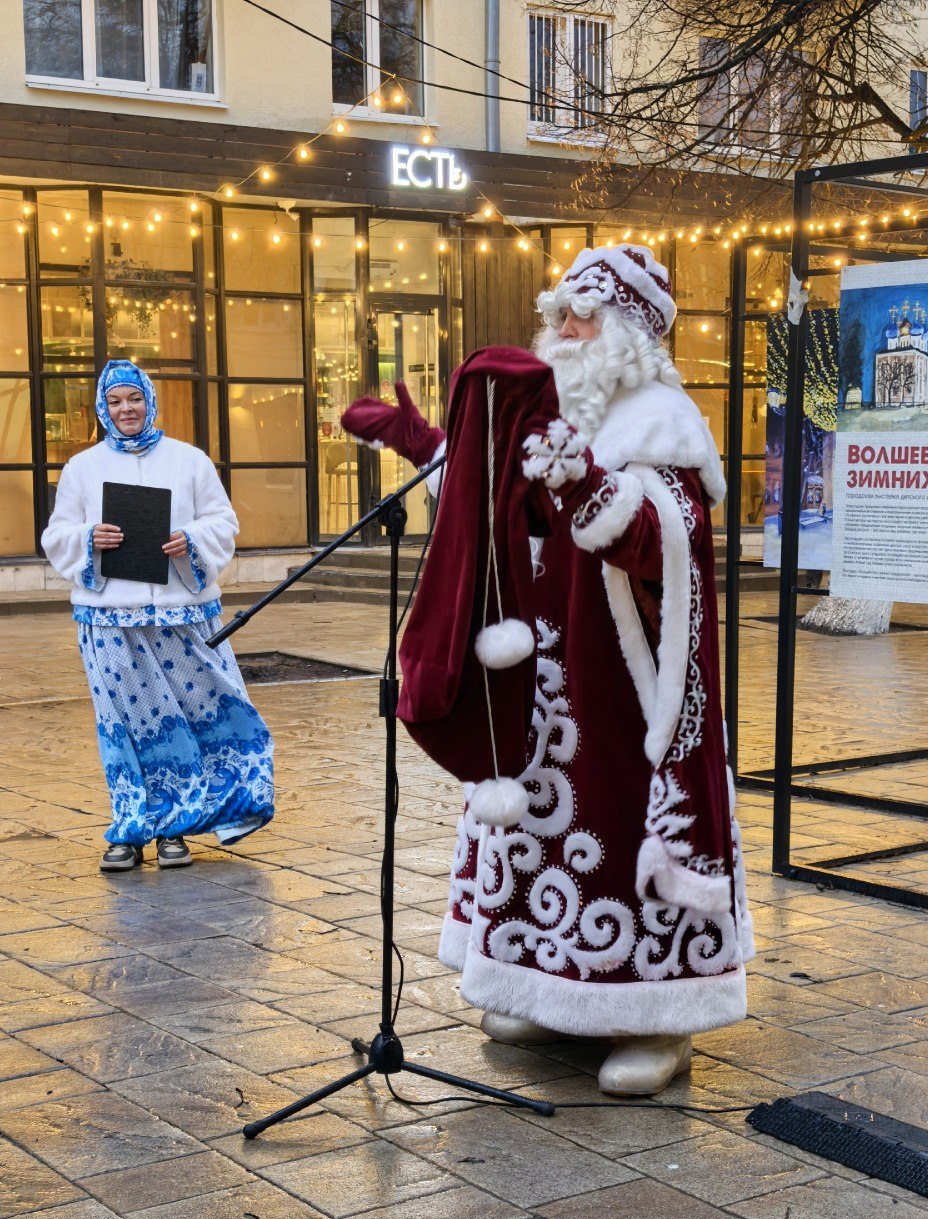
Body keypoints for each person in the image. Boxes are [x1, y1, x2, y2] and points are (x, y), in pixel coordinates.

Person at [343, 245, 753, 1095]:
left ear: (631, 332)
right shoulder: (557, 408)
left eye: (583, 316)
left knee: (614, 822)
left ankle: (659, 1018)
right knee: (537, 827)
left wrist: (585, 486)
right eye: (558, 313)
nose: (563, 329)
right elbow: (502, 500)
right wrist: (424, 440)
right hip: (542, 673)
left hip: (623, 680)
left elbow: (667, 544)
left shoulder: (663, 424)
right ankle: (545, 986)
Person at [42, 360, 274, 872]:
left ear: (150, 401)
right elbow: (56, 534)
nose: (127, 409)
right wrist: (88, 541)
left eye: (135, 399)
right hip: (108, 622)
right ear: (103, 408)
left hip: (183, 616)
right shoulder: (82, 468)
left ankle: (178, 827)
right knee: (125, 726)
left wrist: (190, 541)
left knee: (197, 718)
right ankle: (129, 828)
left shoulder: (190, 461)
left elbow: (223, 522)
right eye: (117, 401)